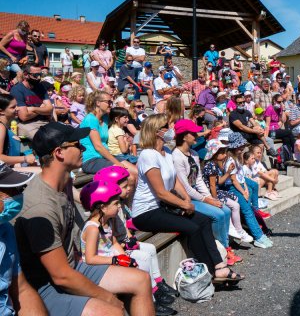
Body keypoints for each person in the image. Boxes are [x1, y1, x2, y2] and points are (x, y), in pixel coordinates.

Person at [15, 122, 154, 315]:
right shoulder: (41, 207)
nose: (83, 148)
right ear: (59, 153)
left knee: (141, 279)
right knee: (111, 311)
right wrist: (107, 298)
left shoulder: (64, 181)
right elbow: (61, 277)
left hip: (73, 266)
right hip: (43, 285)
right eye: (77, 145)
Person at [131, 114, 244, 284]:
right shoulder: (148, 155)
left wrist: (186, 200)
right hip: (146, 212)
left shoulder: (166, 152)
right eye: (167, 126)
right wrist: (184, 203)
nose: (171, 129)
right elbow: (161, 192)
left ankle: (220, 266)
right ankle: (210, 272)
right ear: (157, 131)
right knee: (192, 228)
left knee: (204, 220)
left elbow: (176, 181)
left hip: (163, 207)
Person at [78, 180, 177, 315]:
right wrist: (116, 260)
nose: (119, 206)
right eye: (115, 203)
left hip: (109, 260)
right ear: (102, 207)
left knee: (139, 265)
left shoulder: (106, 222)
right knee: (139, 271)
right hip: (97, 267)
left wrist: (124, 257)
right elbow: (89, 258)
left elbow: (113, 243)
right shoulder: (92, 228)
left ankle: (149, 302)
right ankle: (151, 304)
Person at [172, 120, 248, 263]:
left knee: (225, 210)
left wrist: (209, 197)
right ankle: (222, 249)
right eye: (193, 133)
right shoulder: (176, 156)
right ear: (183, 135)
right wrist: (207, 200)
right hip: (186, 197)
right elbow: (185, 186)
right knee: (218, 215)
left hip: (197, 195)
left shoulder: (193, 153)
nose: (197, 135)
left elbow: (199, 180)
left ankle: (225, 246)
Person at [0, 162, 47, 315]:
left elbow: (21, 288)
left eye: (19, 189)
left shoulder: (5, 229)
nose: (18, 194)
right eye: (10, 189)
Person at [79, 91, 138, 186]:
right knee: (129, 177)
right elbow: (98, 146)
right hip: (91, 159)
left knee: (137, 172)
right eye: (108, 102)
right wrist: (117, 163)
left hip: (105, 156)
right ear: (98, 103)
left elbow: (121, 117)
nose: (111, 105)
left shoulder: (105, 117)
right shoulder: (91, 119)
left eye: (112, 102)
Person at [10, 65, 53, 139]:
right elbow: (24, 116)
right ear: (26, 75)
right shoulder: (17, 90)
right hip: (26, 124)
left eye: (40, 74)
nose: (39, 78)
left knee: (65, 134)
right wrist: (41, 108)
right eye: (36, 75)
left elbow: (50, 110)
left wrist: (33, 109)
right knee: (46, 139)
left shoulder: (41, 87)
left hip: (44, 121)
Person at [0, 94, 37, 169]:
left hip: (12, 165)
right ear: (1, 111)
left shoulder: (6, 125)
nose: (17, 109)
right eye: (13, 107)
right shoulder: (1, 127)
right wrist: (25, 159)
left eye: (16, 105)